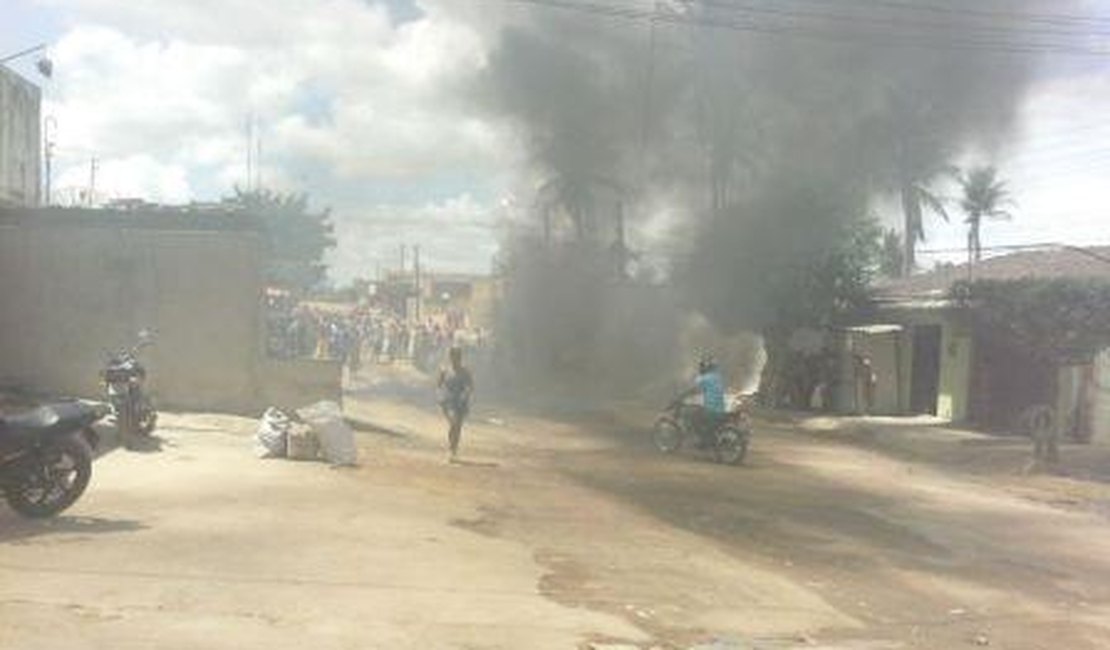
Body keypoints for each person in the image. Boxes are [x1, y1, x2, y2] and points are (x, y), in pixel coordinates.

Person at [437, 346, 474, 463]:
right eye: (453, 356)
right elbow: (439, 385)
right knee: (454, 422)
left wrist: (465, 394)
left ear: (460, 357)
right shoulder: (445, 370)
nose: (455, 359)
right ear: (450, 357)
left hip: (460, 402)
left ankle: (454, 449)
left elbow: (470, 386)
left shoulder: (465, 372)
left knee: (457, 427)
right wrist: (440, 397)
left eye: (457, 356)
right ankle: (451, 449)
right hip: (448, 401)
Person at [682, 354, 727, 448]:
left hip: (710, 410)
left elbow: (694, 389)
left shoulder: (704, 378)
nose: (700, 368)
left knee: (691, 416)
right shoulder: (718, 377)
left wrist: (684, 395)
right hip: (721, 409)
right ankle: (707, 438)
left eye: (702, 366)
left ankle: (702, 440)